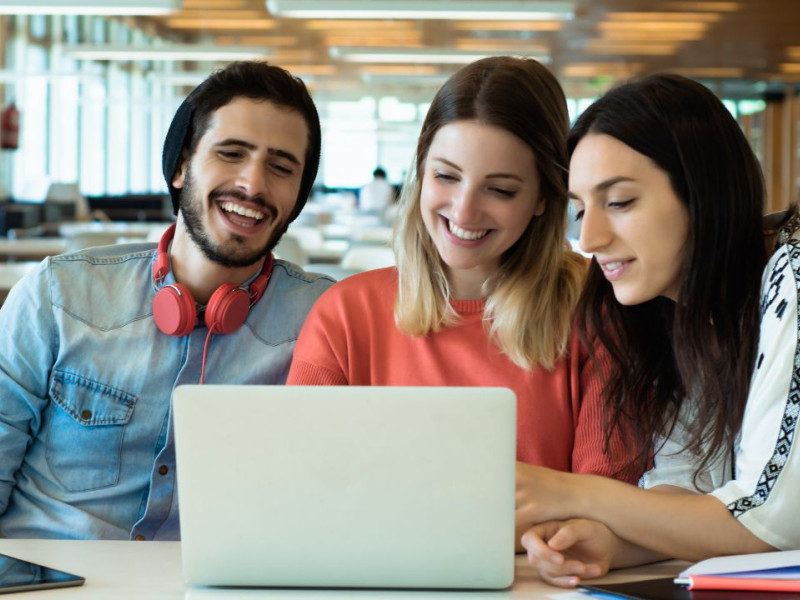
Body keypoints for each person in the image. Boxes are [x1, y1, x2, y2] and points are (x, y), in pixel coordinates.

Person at [287, 56, 643, 538]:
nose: (464, 210)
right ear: (420, 172)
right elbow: (300, 494)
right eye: (447, 177)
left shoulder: (597, 311)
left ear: (543, 198)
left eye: (500, 189)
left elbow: (602, 508)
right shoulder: (345, 314)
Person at [0, 61, 334, 540]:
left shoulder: (322, 319)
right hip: (46, 579)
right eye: (231, 153)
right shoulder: (56, 297)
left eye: (281, 168)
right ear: (181, 166)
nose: (254, 185)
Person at [515, 74, 800, 587]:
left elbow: (767, 523)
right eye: (580, 210)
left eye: (620, 202)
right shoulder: (679, 308)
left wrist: (570, 492)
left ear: (702, 191)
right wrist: (611, 541)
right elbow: (687, 490)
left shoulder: (792, 276)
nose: (590, 238)